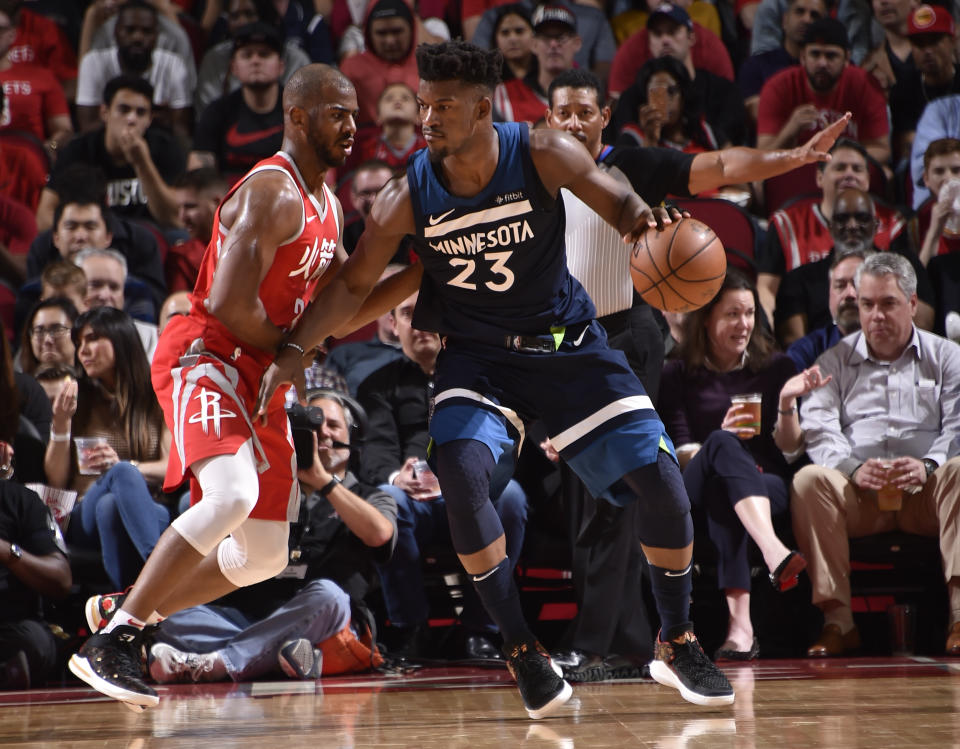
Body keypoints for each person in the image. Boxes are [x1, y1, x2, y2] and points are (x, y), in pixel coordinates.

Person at [257, 41, 735, 717]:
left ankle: (679, 637)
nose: (427, 117)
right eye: (423, 103)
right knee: (458, 468)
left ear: (483, 109)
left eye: (444, 106)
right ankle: (520, 648)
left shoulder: (542, 150)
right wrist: (295, 349)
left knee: (661, 481)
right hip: (478, 356)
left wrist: (644, 226)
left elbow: (618, 199)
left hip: (569, 346)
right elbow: (356, 283)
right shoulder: (407, 193)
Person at [66, 64, 382, 712]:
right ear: (297, 116)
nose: (351, 125)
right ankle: (117, 637)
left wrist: (424, 275)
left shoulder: (328, 205)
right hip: (207, 352)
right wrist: (293, 352)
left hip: (262, 371)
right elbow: (225, 301)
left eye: (355, 113)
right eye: (336, 112)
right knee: (232, 492)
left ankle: (126, 612)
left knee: (262, 555)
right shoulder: (274, 190)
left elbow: (348, 300)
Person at [543, 68, 847, 676]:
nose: (573, 122)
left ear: (605, 116)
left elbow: (724, 168)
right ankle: (627, 640)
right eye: (562, 113)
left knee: (615, 493)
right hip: (570, 342)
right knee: (592, 497)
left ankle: (604, 642)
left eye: (584, 111)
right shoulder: (538, 175)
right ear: (548, 121)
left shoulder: (633, 164)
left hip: (628, 335)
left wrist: (791, 156)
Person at [89, 390, 397, 684]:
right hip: (241, 619)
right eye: (312, 426)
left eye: (332, 425)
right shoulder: (265, 492)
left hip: (315, 619)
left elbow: (380, 534)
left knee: (331, 597)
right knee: (169, 614)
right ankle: (270, 657)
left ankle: (219, 662)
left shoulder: (369, 494)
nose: (321, 434)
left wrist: (322, 482)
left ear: (352, 436)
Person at [790, 252, 960, 657]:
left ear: (913, 304)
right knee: (808, 480)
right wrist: (854, 468)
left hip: (926, 496)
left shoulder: (947, 357)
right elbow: (818, 428)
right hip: (860, 497)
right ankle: (838, 622)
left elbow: (957, 426)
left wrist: (928, 465)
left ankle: (959, 616)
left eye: (888, 304)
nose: (876, 315)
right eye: (868, 305)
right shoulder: (834, 361)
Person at [358, 290, 528, 661]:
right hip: (414, 500)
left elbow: (505, 444)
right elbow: (374, 455)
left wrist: (471, 478)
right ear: (393, 325)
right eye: (407, 313)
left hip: (473, 491)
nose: (419, 323)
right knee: (389, 503)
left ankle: (482, 631)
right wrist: (395, 478)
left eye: (428, 313)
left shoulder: (484, 378)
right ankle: (409, 630)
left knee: (511, 495)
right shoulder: (376, 385)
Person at [658, 270, 802, 661]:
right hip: (695, 481)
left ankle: (741, 629)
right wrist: (715, 442)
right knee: (722, 444)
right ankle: (774, 551)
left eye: (750, 313)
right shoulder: (676, 372)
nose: (744, 324)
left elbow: (789, 452)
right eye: (732, 314)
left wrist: (788, 405)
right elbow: (677, 448)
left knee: (730, 493)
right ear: (707, 318)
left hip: (763, 483)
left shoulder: (777, 368)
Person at [44, 306, 171, 591]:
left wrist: (126, 468)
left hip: (146, 507)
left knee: (112, 504)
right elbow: (56, 480)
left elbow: (170, 467)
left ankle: (125, 606)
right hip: (82, 513)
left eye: (93, 339)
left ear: (120, 339)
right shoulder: (80, 398)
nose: (83, 351)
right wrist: (62, 423)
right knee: (115, 485)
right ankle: (163, 582)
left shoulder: (157, 397)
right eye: (79, 344)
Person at [756, 139, 904, 323]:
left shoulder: (892, 224)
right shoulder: (786, 224)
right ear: (819, 177)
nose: (849, 174)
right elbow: (766, 289)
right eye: (840, 168)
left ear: (867, 180)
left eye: (857, 169)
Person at [774, 188, 934, 345]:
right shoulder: (799, 278)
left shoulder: (904, 267)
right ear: (830, 227)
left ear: (876, 224)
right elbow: (793, 341)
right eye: (842, 219)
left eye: (862, 218)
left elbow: (923, 326)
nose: (852, 225)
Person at [757, 17, 891, 166]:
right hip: (794, 172)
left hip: (846, 171)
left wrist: (836, 159)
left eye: (831, 56)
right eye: (815, 54)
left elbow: (882, 149)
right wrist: (790, 130)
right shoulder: (778, 86)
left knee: (886, 173)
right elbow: (762, 158)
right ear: (802, 57)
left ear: (847, 58)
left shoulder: (866, 84)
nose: (822, 63)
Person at [74, 1, 195, 139]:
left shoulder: (174, 65)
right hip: (104, 148)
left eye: (146, 31)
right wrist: (148, 119)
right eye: (129, 30)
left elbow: (181, 131)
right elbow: (87, 128)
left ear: (156, 36)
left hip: (158, 148)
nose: (138, 37)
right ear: (116, 33)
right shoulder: (93, 63)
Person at [189, 23, 285, 183]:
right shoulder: (216, 112)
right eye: (247, 55)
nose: (255, 61)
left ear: (281, 66)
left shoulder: (298, 112)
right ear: (234, 67)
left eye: (264, 54)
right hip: (230, 200)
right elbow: (199, 179)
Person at [0, 479, 71, 690]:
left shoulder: (19, 500)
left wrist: (7, 551)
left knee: (34, 643)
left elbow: (61, 579)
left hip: (9, 626)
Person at [194, 0, 311, 115]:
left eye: (249, 14)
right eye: (234, 16)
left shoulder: (297, 59)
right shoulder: (215, 58)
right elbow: (207, 114)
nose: (242, 22)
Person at [608, 1, 734, 99]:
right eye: (658, 33)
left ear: (691, 38)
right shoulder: (631, 50)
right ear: (649, 39)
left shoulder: (709, 45)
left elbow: (728, 96)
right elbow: (617, 104)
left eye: (673, 32)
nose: (665, 40)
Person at [0, 2, 73, 161]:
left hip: (30, 161)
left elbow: (64, 130)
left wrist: (49, 147)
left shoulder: (41, 77)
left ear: (12, 34)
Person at [889, 4, 960, 163]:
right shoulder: (903, 90)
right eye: (919, 44)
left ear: (952, 41)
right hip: (925, 167)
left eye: (934, 41)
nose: (927, 50)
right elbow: (910, 147)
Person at [738, 0, 825, 124]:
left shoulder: (833, 68)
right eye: (799, 12)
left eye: (814, 15)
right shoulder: (756, 66)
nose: (806, 19)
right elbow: (754, 111)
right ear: (785, 20)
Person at [339, 0, 419, 134]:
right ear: (368, 33)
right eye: (381, 33)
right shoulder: (351, 68)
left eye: (397, 31)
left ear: (412, 29)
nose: (390, 41)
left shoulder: (428, 66)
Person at [324, 264, 406, 395]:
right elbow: (327, 402)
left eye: (402, 298)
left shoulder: (433, 357)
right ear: (372, 304)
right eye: (387, 299)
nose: (394, 308)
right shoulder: (344, 355)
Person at [785, 249, 869, 371]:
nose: (849, 294)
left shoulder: (897, 348)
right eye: (840, 285)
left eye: (857, 284)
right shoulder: (805, 352)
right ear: (829, 294)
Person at [75, 248, 160, 360]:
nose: (105, 295)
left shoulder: (149, 336)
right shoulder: (61, 335)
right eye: (95, 285)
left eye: (114, 287)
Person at [167, 168, 228, 294]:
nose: (182, 217)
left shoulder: (250, 244)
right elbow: (180, 308)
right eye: (179, 208)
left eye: (190, 207)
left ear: (216, 203)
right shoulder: (181, 257)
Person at [341, 160, 394, 255]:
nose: (373, 200)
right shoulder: (342, 239)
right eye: (365, 193)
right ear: (354, 198)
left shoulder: (417, 234)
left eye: (382, 191)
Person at [17, 296, 78, 377]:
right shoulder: (18, 387)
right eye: (39, 331)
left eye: (57, 330)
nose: (47, 340)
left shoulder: (94, 386)